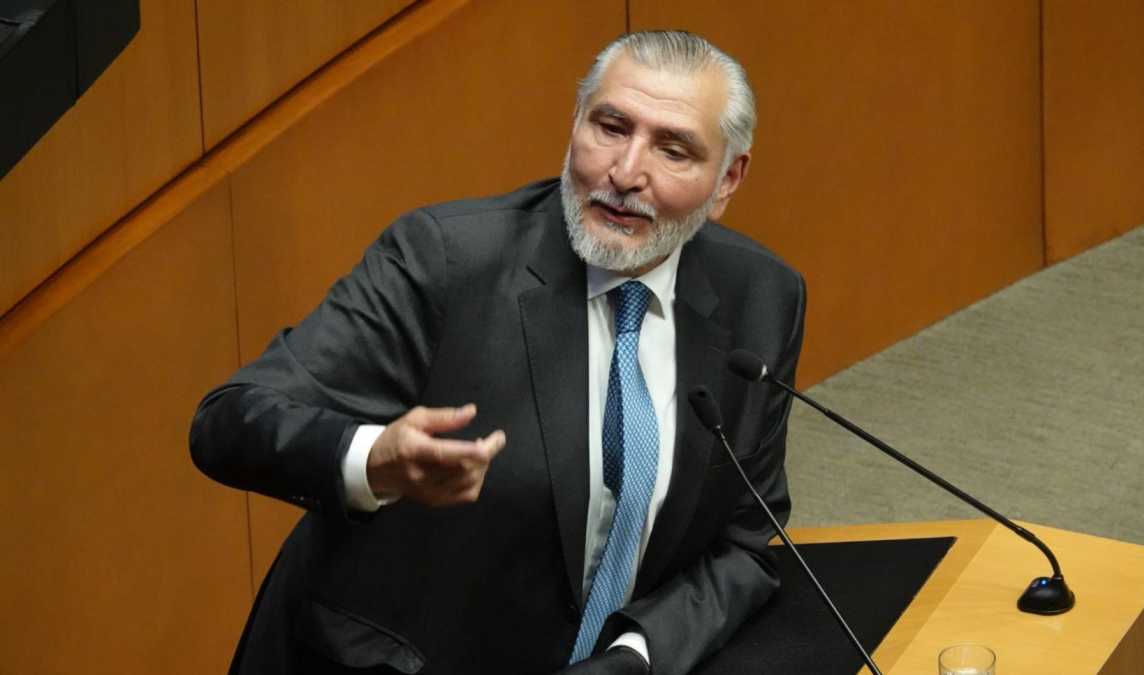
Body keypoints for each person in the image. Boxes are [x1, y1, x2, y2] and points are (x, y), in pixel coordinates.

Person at [190, 30, 805, 675]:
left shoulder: (763, 298)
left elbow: (745, 543)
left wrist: (635, 656)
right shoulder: (444, 260)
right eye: (610, 127)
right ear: (575, 122)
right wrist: (372, 460)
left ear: (728, 179)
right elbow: (228, 420)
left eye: (672, 150)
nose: (625, 173)